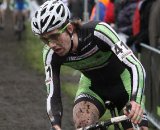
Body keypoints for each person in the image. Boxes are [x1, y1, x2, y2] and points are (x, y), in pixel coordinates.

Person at [31, 0, 148, 130]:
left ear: (69, 28)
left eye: (54, 36)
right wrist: (56, 125)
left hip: (125, 85)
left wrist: (135, 100)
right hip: (93, 88)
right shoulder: (50, 53)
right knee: (83, 124)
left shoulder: (98, 31)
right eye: (45, 39)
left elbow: (136, 66)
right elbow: (52, 93)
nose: (51, 44)